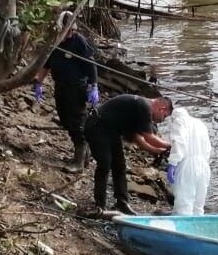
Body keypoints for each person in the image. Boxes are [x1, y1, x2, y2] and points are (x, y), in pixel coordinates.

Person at [84, 94, 172, 215]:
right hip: (97, 127)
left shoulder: (139, 110)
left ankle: (122, 202)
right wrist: (171, 146)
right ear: (161, 108)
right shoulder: (145, 106)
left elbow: (138, 139)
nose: (163, 119)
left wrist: (159, 151)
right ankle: (100, 204)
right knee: (105, 164)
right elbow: (149, 137)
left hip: (112, 131)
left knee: (120, 166)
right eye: (165, 116)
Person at [33, 11, 99, 171]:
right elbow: (47, 64)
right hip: (60, 86)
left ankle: (79, 163)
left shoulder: (79, 42)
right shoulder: (55, 43)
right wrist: (38, 83)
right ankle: (85, 155)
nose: (69, 34)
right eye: (67, 31)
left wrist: (94, 86)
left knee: (77, 123)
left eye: (72, 31)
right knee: (65, 120)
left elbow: (91, 65)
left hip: (76, 88)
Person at [163, 107, 212, 216]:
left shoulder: (179, 121)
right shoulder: (200, 124)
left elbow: (179, 142)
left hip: (188, 165)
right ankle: (197, 229)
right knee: (198, 206)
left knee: (183, 204)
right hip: (204, 165)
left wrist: (173, 163)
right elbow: (208, 148)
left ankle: (180, 229)